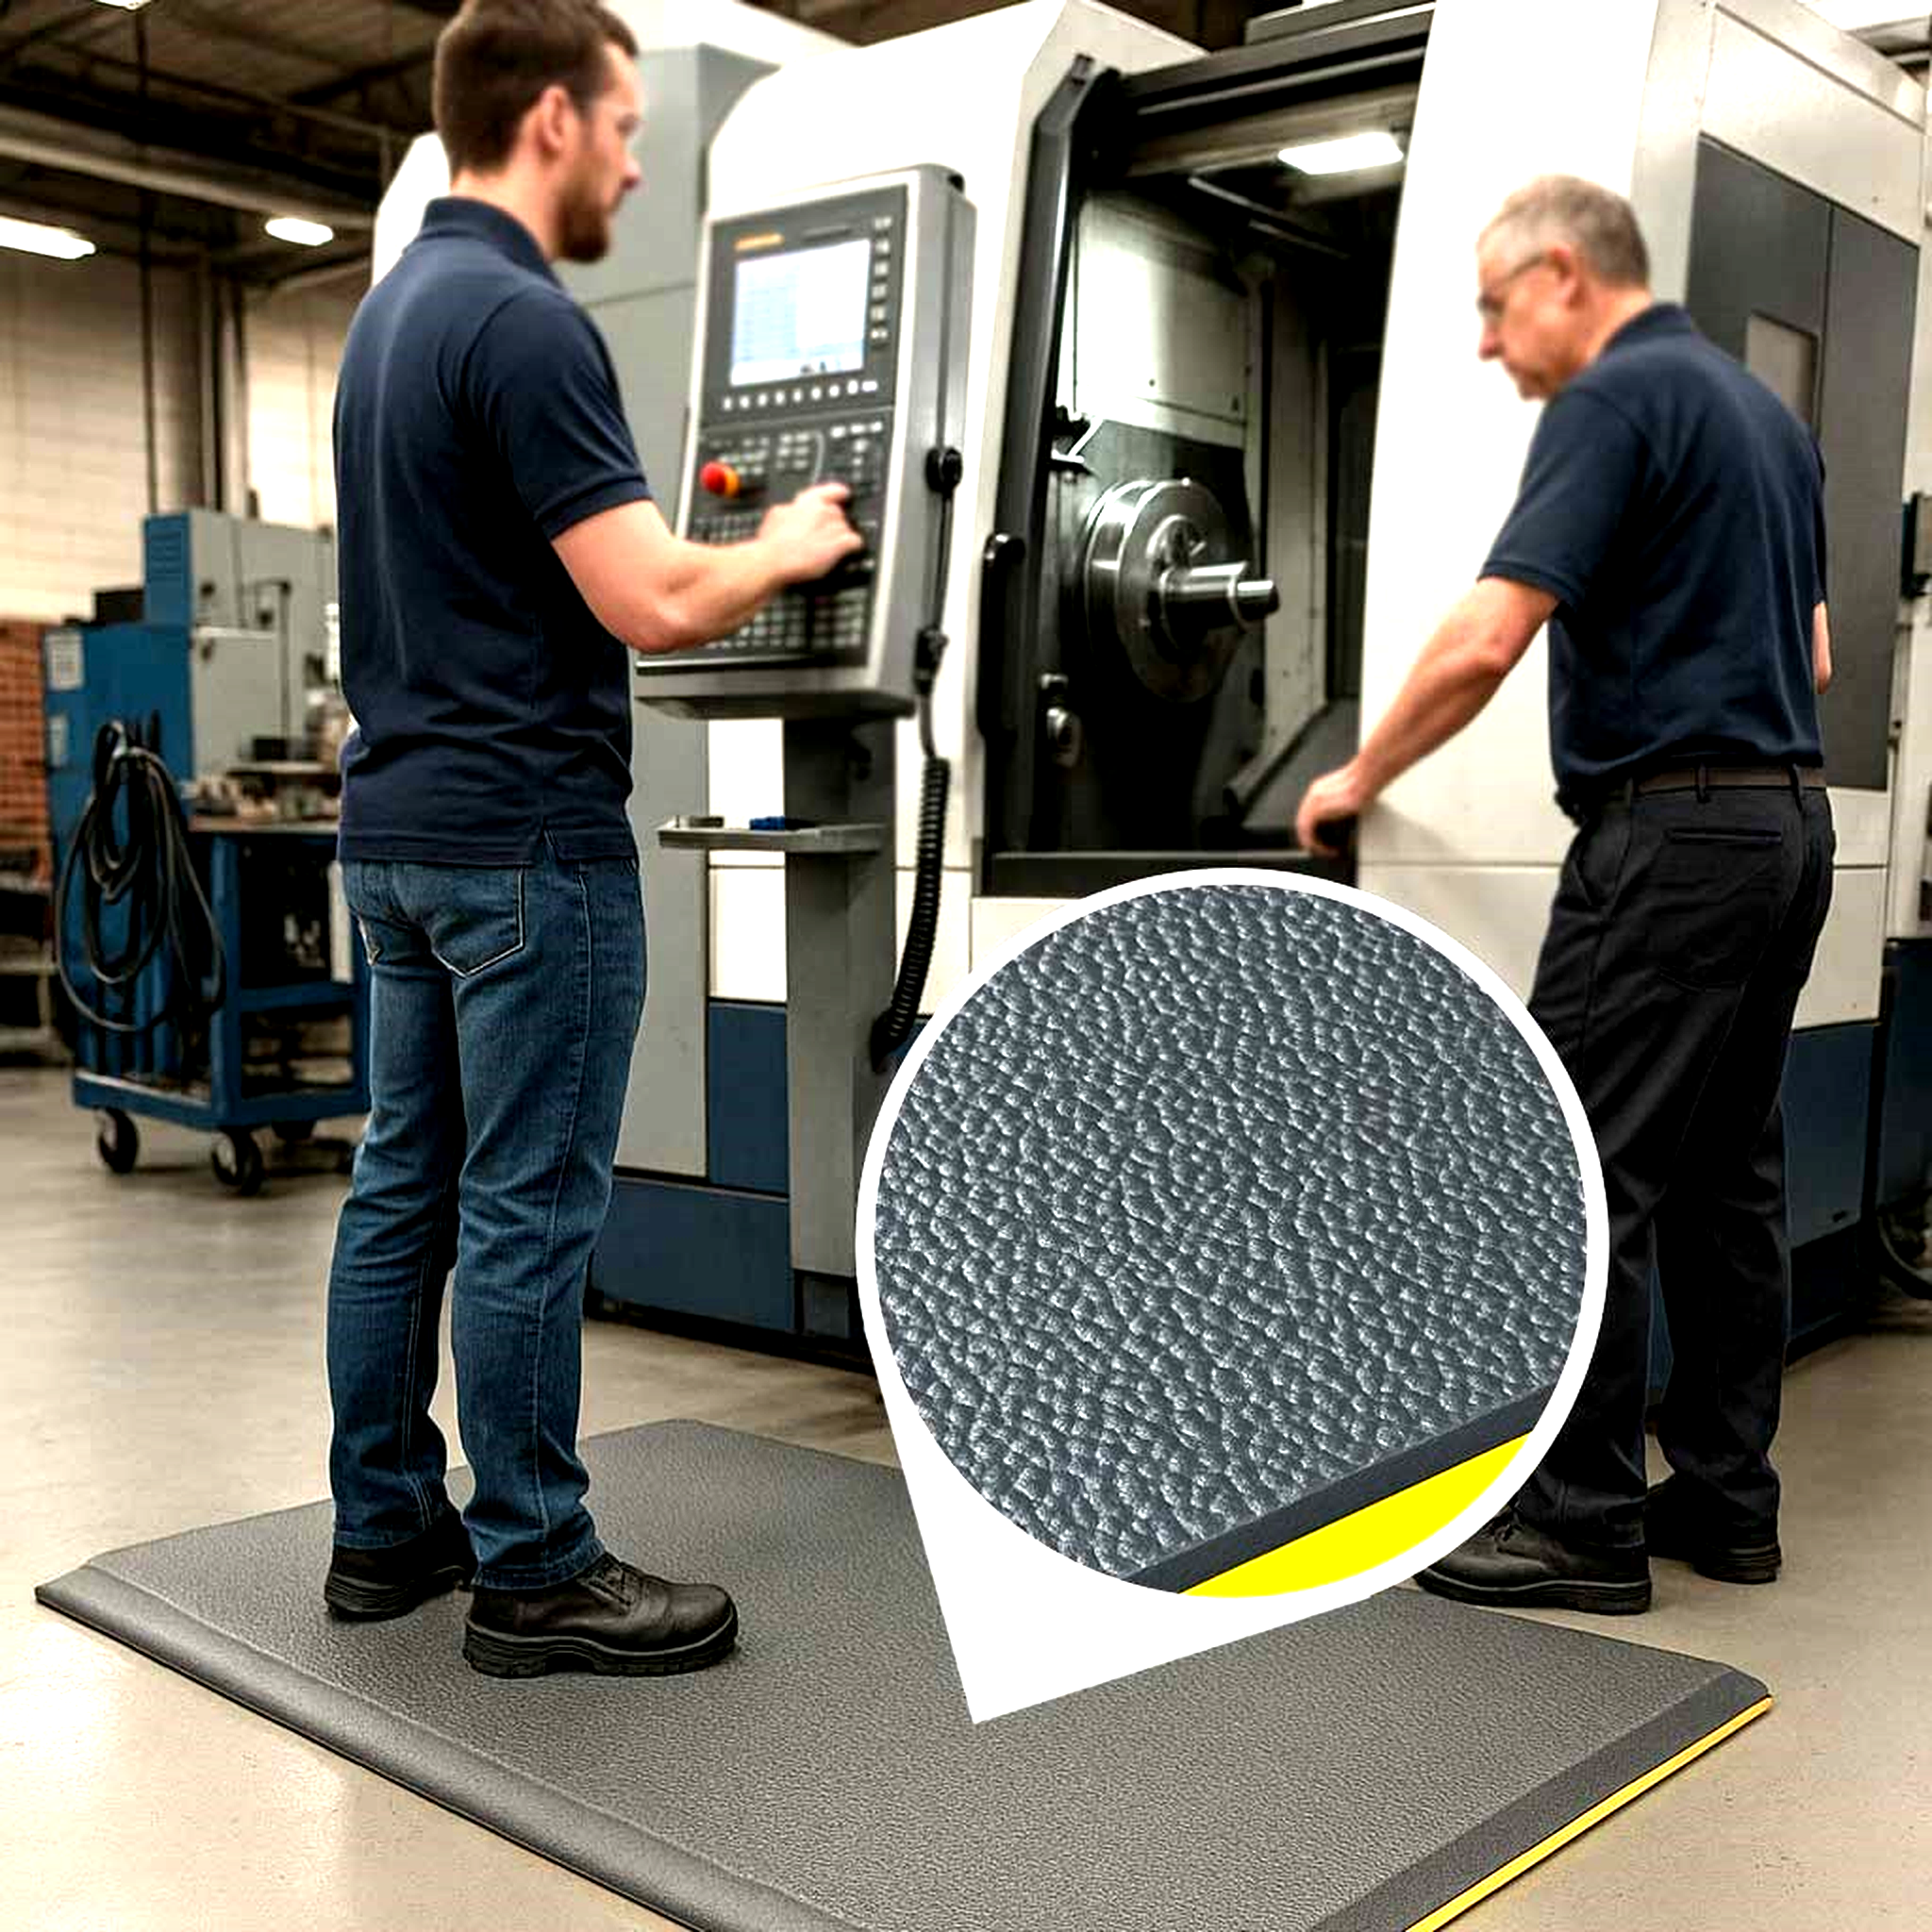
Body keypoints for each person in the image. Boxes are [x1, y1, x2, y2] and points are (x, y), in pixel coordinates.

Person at [320, 0, 862, 1677]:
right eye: (627, 128)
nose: (638, 160)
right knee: (529, 1207)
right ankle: (538, 1565)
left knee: (400, 1188)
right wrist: (783, 543)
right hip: (528, 844)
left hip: (395, 840)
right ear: (551, 118)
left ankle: (383, 1526)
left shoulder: (389, 316)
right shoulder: (524, 322)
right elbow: (650, 597)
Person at [1295, 175, 1836, 1615]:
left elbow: (1488, 635)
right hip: (1788, 834)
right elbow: (1823, 657)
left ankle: (1580, 1521)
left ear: (1562, 277)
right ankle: (1728, 1505)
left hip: (1671, 839)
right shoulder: (1766, 419)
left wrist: (1355, 777)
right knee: (1729, 1177)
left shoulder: (1609, 401)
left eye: (1491, 306)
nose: (1488, 343)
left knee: (1579, 1172)